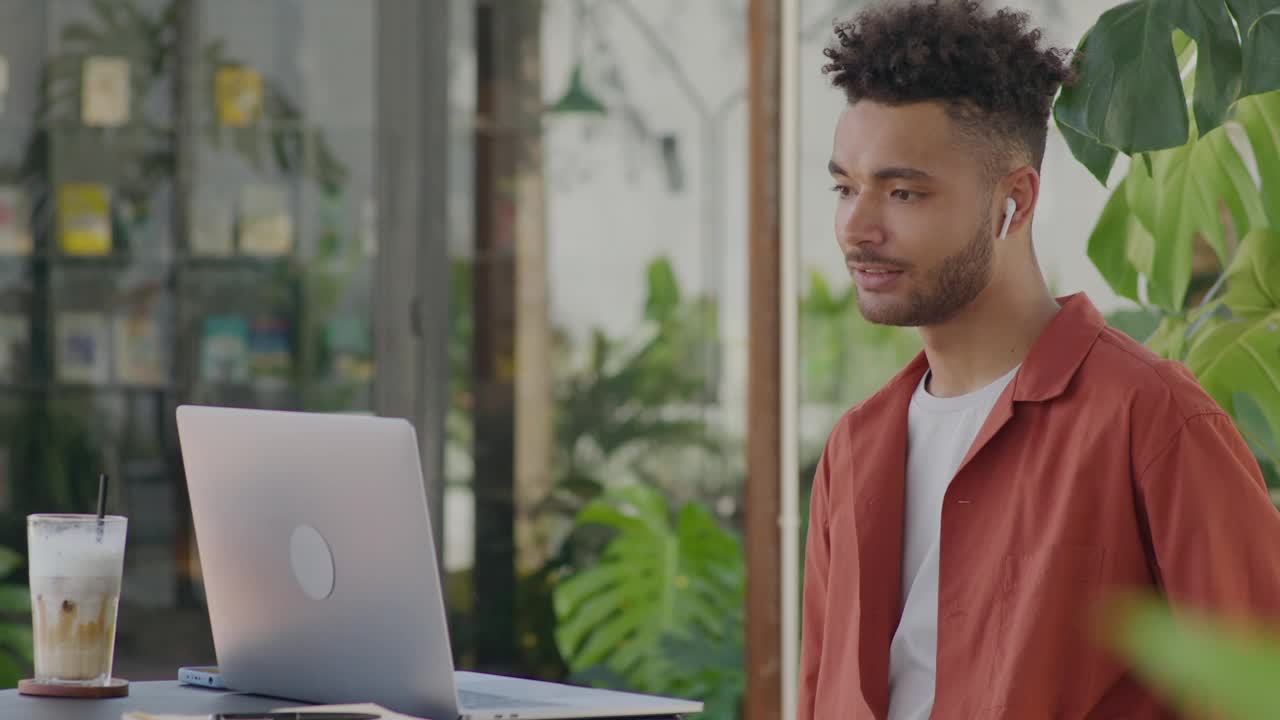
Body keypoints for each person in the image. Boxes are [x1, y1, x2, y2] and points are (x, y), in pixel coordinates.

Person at [798, 1, 1280, 718]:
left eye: (903, 192)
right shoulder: (855, 448)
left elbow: (1254, 683)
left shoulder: (1148, 419)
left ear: (1014, 202)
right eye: (845, 188)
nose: (857, 227)